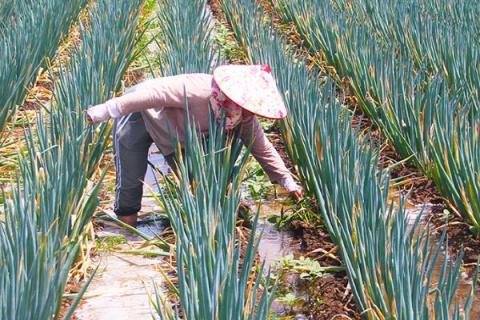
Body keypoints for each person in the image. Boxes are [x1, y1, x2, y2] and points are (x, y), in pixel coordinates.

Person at [87, 64, 303, 227]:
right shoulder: (198, 91)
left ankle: (204, 221)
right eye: (247, 108)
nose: (249, 113)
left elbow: (261, 148)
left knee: (199, 180)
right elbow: (151, 96)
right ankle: (128, 229)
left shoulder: (242, 117)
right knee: (131, 177)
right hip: (140, 114)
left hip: (177, 134)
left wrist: (286, 180)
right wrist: (106, 110)